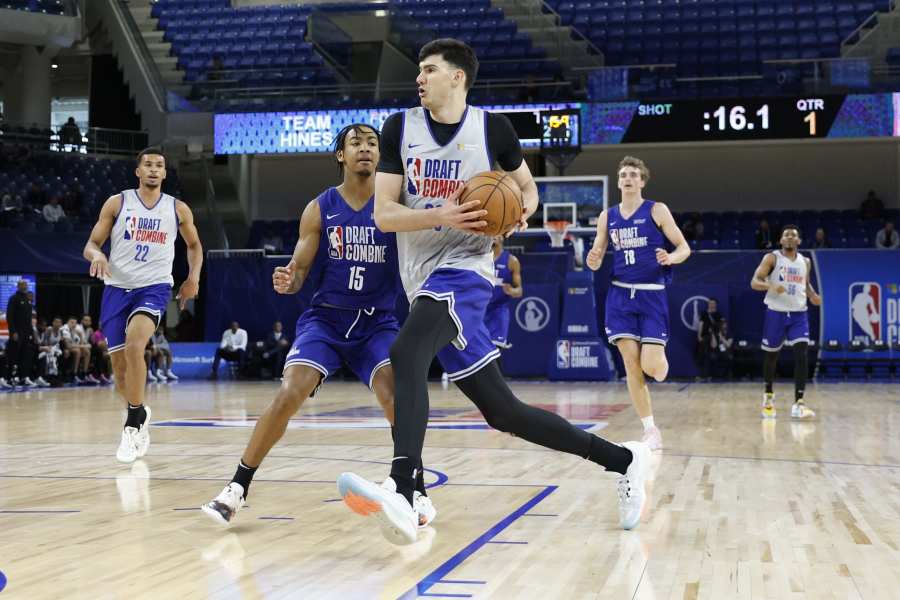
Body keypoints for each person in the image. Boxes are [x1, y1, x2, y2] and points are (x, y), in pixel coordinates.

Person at [335, 39, 651, 546]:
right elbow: (383, 214)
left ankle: (402, 488)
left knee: (406, 351)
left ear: (458, 77)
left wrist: (521, 208)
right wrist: (442, 214)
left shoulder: (493, 130)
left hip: (468, 269)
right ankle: (623, 459)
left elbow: (527, 190)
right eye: (419, 69)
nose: (420, 77)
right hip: (420, 275)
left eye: (430, 69)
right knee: (504, 413)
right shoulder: (400, 128)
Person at [202, 124, 437, 528]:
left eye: (372, 143)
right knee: (289, 392)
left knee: (394, 394)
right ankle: (236, 488)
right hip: (326, 318)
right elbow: (299, 269)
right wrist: (288, 278)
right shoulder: (321, 207)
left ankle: (415, 489)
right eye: (355, 143)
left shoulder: (395, 204)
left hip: (376, 322)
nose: (365, 149)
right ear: (340, 156)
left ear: (380, 156)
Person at [83, 147, 202, 463]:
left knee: (137, 346)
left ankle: (132, 423)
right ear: (138, 171)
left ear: (164, 173)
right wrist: (98, 255)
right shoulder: (118, 203)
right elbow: (91, 244)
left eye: (159, 166)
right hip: (116, 289)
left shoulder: (177, 209)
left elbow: (194, 246)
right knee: (120, 373)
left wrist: (193, 278)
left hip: (154, 287)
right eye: (147, 165)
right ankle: (139, 411)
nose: (153, 169)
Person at [587, 156, 691, 451]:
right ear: (619, 182)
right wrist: (592, 260)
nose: (628, 178)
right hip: (620, 296)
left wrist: (670, 257)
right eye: (623, 175)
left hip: (651, 295)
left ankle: (659, 360)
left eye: (633, 174)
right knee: (631, 366)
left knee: (653, 368)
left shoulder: (657, 210)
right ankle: (650, 429)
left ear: (642, 181)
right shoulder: (607, 216)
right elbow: (596, 255)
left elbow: (684, 247)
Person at [750, 225, 821, 419]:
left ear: (798, 241)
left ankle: (799, 403)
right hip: (776, 314)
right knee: (771, 357)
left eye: (794, 236)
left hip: (799, 314)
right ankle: (768, 396)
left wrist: (814, 296)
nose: (790, 238)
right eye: (786, 235)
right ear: (781, 240)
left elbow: (805, 284)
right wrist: (770, 286)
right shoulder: (772, 258)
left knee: (802, 355)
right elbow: (755, 281)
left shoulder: (805, 262)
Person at [485, 237, 522, 349]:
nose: (494, 236)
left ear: (502, 237)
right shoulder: (479, 259)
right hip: (479, 309)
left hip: (498, 311)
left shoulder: (511, 261)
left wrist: (511, 290)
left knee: (495, 351)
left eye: (498, 233)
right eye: (492, 233)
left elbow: (519, 291)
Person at [3, 279, 36, 387]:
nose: (25, 286)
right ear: (18, 286)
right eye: (22, 285)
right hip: (17, 333)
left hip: (26, 333)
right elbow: (9, 316)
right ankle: (9, 378)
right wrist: (13, 332)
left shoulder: (28, 300)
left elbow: (28, 319)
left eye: (26, 285)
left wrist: (31, 333)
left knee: (25, 356)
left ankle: (23, 378)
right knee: (13, 355)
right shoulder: (14, 298)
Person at [695, 298, 722, 381]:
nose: (712, 305)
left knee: (713, 357)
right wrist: (699, 336)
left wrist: (718, 338)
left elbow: (720, 328)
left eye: (713, 303)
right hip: (705, 338)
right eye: (710, 303)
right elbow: (701, 324)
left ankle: (712, 375)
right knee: (703, 356)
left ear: (716, 304)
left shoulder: (718, 315)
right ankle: (704, 375)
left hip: (714, 338)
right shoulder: (704, 314)